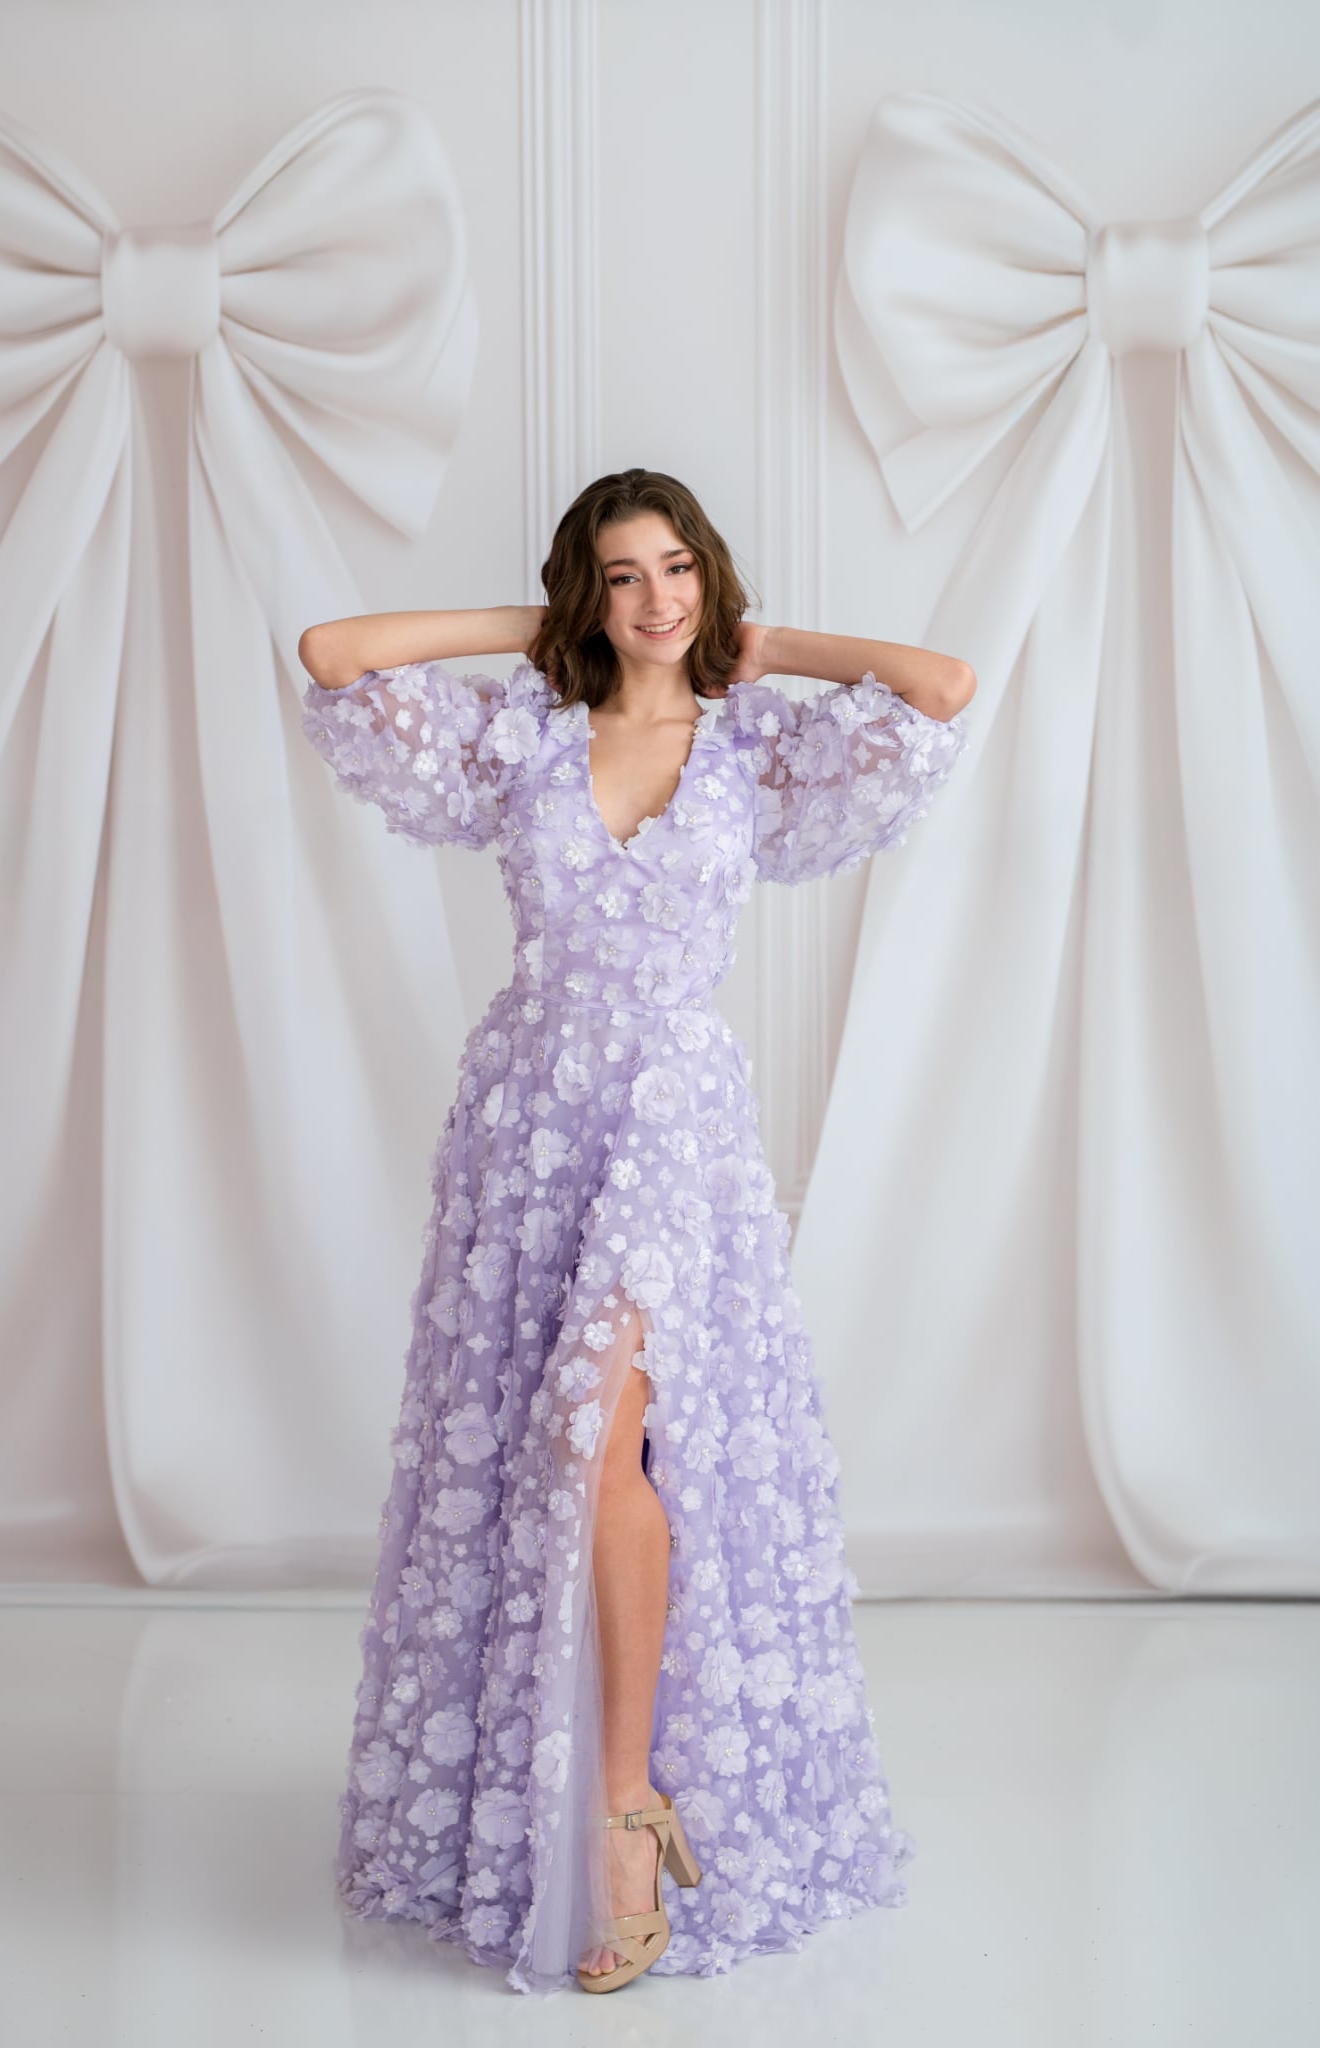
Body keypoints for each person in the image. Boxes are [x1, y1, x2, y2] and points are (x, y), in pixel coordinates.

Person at [298, 466, 973, 1996]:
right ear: (585, 594)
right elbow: (334, 659)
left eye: (678, 568)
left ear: (708, 579)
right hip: (533, 1130)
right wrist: (529, 628)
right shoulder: (524, 746)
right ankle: (601, 1794)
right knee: (555, 1456)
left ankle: (622, 1812)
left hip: (676, 1128)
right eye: (622, 576)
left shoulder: (755, 751)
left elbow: (941, 688)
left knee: (600, 1442)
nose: (656, 598)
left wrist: (763, 642)